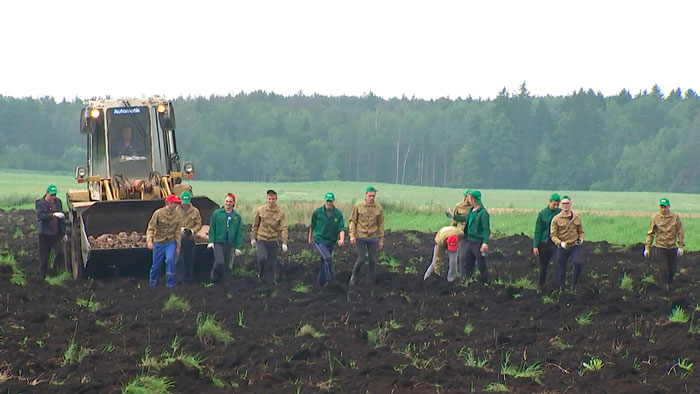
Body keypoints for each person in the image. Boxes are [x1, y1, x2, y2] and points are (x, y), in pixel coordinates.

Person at [644, 198, 684, 291]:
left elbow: (680, 232)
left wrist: (681, 246)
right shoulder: (655, 218)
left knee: (673, 270)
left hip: (672, 247)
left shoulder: (675, 217)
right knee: (663, 269)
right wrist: (647, 248)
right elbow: (650, 234)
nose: (663, 209)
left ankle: (669, 285)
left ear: (669, 206)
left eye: (665, 207)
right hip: (660, 247)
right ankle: (663, 288)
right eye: (661, 207)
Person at [451, 190, 491, 283]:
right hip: (468, 240)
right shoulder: (471, 211)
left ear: (474, 199)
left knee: (481, 263)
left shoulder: (483, 213)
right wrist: (454, 216)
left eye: (469, 199)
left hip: (477, 242)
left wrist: (485, 242)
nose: (467, 200)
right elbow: (465, 219)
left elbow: (486, 229)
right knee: (466, 263)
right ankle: (466, 281)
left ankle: (486, 282)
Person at [348, 186, 385, 286]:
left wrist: (381, 239)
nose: (372, 198)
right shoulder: (358, 206)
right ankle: (354, 277)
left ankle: (369, 280)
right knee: (361, 259)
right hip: (360, 236)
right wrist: (352, 235)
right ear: (366, 195)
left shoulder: (379, 208)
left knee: (372, 260)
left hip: (373, 237)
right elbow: (353, 221)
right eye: (370, 196)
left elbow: (380, 224)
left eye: (373, 196)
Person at [308, 192, 346, 287]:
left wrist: (341, 239)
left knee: (324, 261)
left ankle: (320, 284)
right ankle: (329, 282)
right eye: (327, 201)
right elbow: (312, 225)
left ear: (334, 201)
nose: (329, 203)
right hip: (318, 239)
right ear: (325, 201)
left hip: (330, 241)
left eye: (331, 201)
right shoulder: (317, 212)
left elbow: (341, 228)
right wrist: (310, 238)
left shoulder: (338, 214)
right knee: (327, 258)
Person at [251, 190, 288, 285]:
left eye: (273, 199)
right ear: (267, 199)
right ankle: (261, 273)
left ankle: (270, 282)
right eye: (269, 199)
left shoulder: (281, 213)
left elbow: (283, 228)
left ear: (276, 199)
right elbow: (255, 224)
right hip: (262, 239)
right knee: (262, 258)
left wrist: (284, 242)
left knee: (272, 263)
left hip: (273, 240)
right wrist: (253, 237)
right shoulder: (260, 210)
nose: (271, 201)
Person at [146, 193, 182, 287]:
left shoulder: (177, 215)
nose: (176, 205)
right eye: (174, 203)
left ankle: (170, 283)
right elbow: (151, 228)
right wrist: (149, 240)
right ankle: (153, 282)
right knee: (156, 264)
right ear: (168, 203)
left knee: (170, 260)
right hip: (158, 242)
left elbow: (177, 232)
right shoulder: (158, 213)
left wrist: (178, 246)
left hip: (170, 242)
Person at [549, 195, 584, 291]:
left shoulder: (576, 217)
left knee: (578, 263)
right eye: (564, 203)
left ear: (570, 204)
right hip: (562, 247)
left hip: (574, 246)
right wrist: (560, 243)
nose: (566, 205)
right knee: (561, 270)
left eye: (567, 203)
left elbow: (580, 231)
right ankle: (561, 290)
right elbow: (553, 235)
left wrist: (581, 239)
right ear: (561, 205)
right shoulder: (556, 219)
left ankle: (573, 285)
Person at [208, 193, 243, 283]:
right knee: (219, 261)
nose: (228, 203)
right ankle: (213, 277)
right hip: (218, 241)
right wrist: (211, 241)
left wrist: (238, 247)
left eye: (230, 202)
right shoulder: (217, 214)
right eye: (226, 201)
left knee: (227, 265)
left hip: (230, 243)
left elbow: (239, 233)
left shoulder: (237, 216)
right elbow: (212, 228)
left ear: (233, 203)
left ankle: (225, 283)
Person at [35, 184, 66, 278]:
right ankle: (42, 277)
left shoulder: (58, 202)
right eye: (51, 195)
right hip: (44, 234)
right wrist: (53, 215)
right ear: (47, 193)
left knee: (60, 254)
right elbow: (40, 216)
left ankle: (54, 273)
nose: (53, 197)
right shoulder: (40, 203)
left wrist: (63, 232)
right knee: (44, 258)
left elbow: (61, 219)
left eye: (55, 195)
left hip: (56, 234)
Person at [532, 193, 562, 290]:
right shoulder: (542, 214)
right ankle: (541, 286)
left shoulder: (560, 214)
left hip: (556, 243)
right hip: (544, 242)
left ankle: (557, 286)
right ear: (549, 202)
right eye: (554, 204)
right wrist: (535, 245)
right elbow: (538, 230)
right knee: (543, 266)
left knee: (558, 264)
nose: (556, 206)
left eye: (557, 204)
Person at [176, 191, 202, 284]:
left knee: (188, 259)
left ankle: (188, 280)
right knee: (179, 259)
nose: (185, 204)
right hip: (178, 239)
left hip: (189, 239)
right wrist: (180, 229)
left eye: (186, 202)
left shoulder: (195, 211)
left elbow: (198, 224)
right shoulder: (176, 210)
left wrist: (192, 231)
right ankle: (178, 279)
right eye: (183, 202)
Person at [446, 189, 471, 277]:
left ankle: (469, 274)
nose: (469, 199)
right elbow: (454, 221)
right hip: (461, 234)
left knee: (471, 255)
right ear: (465, 197)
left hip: (471, 234)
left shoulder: (474, 207)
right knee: (462, 255)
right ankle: (462, 274)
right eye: (468, 197)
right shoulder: (459, 206)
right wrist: (452, 232)